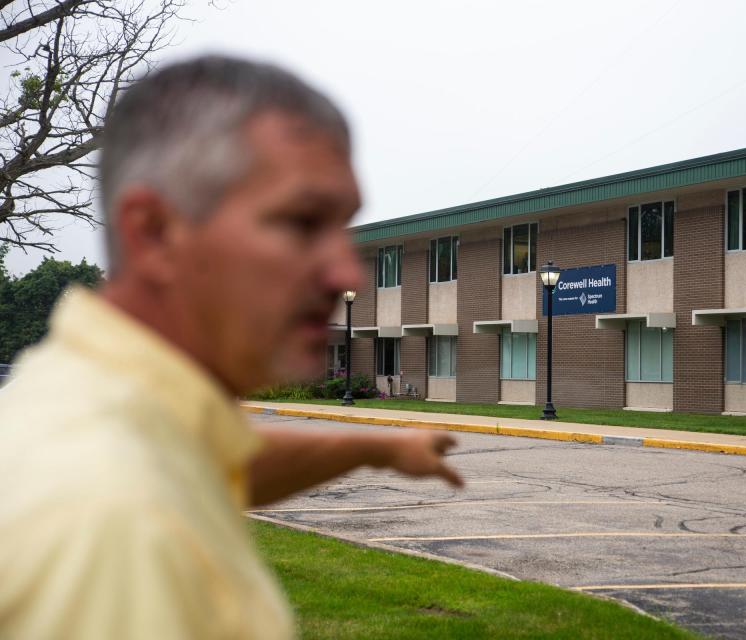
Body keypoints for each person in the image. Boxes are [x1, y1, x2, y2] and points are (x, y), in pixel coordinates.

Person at [0, 55, 462, 639]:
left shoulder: (105, 410)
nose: (347, 272)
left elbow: (226, 462)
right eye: (301, 222)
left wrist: (376, 448)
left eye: (343, 226)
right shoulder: (114, 525)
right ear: (154, 232)